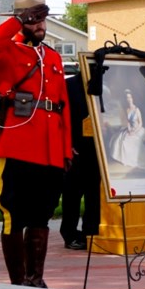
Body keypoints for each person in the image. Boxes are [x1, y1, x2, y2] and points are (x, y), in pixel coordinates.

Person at [0, 0, 72, 288]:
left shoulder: (53, 57)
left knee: (41, 217)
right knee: (13, 215)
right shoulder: (7, 51)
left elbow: (62, 107)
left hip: (49, 150)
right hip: (18, 147)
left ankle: (36, 279)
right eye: (33, 20)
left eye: (42, 19)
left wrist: (66, 148)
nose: (39, 26)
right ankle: (18, 283)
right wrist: (17, 21)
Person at [60, 67, 100, 250]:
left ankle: (90, 232)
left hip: (97, 149)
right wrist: (67, 144)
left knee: (94, 194)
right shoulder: (69, 85)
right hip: (75, 148)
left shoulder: (102, 85)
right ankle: (69, 234)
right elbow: (61, 117)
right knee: (72, 195)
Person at [109, 89, 145, 169]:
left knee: (134, 142)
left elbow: (140, 123)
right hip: (130, 129)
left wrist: (135, 131)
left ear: (132, 98)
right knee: (121, 139)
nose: (128, 99)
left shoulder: (137, 109)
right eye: (127, 98)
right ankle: (124, 159)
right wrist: (129, 129)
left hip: (138, 129)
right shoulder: (127, 109)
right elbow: (128, 121)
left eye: (130, 97)